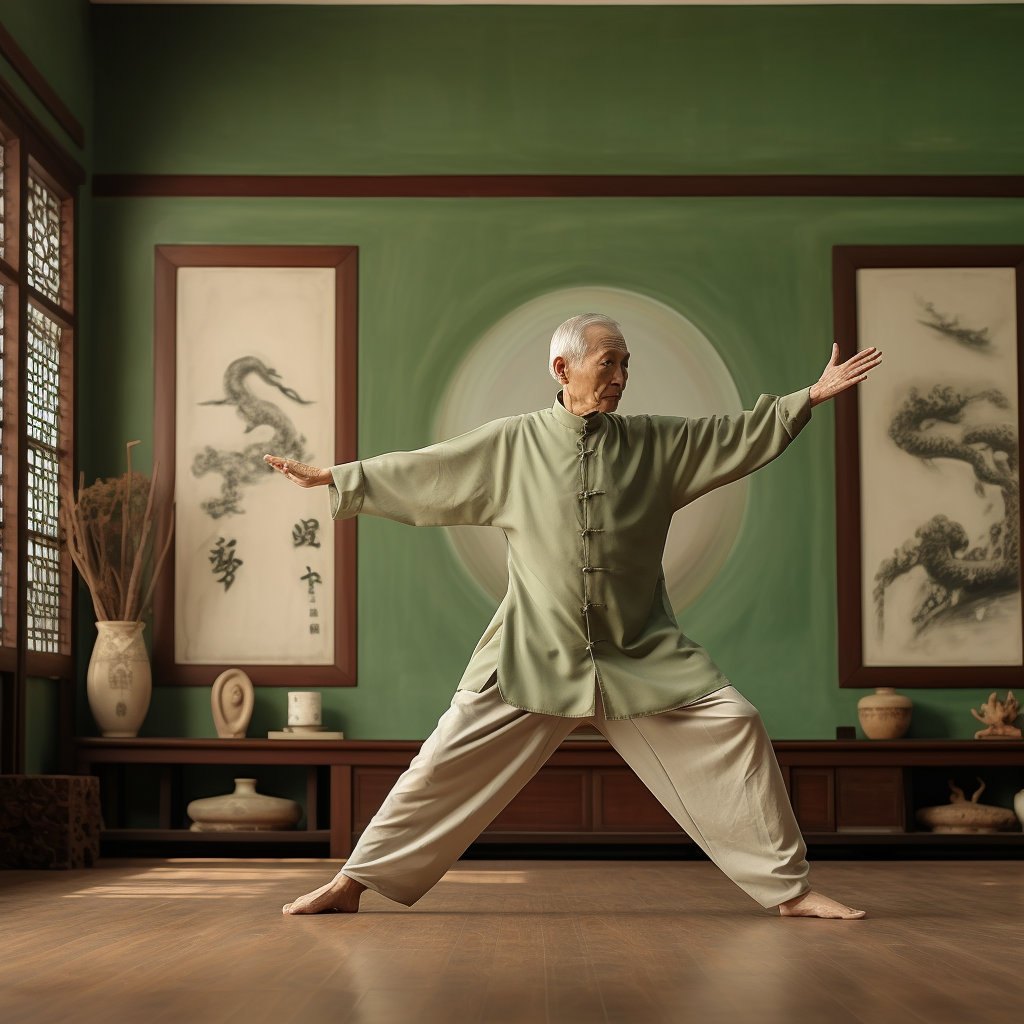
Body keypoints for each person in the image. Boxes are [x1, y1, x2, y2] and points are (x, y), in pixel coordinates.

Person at [266, 313, 881, 919]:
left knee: (737, 723)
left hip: (638, 653)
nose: (619, 375)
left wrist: (809, 398)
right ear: (562, 369)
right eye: (607, 362)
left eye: (625, 364)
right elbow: (431, 469)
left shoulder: (655, 444)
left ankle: (790, 891)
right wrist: (337, 478)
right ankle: (353, 881)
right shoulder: (512, 444)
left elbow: (733, 435)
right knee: (441, 761)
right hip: (534, 652)